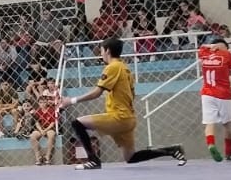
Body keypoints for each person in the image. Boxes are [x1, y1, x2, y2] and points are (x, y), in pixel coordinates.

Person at [61, 37, 186, 170]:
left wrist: (71, 100)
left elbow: (97, 93)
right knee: (130, 157)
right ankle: (171, 150)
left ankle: (93, 160)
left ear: (107, 51)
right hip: (128, 118)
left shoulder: (112, 67)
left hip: (118, 117)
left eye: (102, 50)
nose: (101, 53)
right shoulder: (125, 68)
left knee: (77, 123)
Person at [199, 37, 231, 162]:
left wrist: (210, 47)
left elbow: (201, 49)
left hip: (207, 93)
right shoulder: (226, 55)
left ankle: (211, 144)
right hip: (223, 94)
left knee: (209, 123)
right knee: (227, 124)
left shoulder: (205, 54)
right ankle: (229, 152)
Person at [30, 95, 58, 166]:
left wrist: (45, 130)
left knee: (51, 135)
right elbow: (36, 123)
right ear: (38, 103)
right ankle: (38, 157)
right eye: (41, 102)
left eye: (44, 102)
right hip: (40, 129)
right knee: (32, 136)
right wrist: (41, 130)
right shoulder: (38, 111)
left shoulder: (51, 110)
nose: (42, 104)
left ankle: (47, 157)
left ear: (47, 103)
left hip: (49, 128)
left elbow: (52, 123)